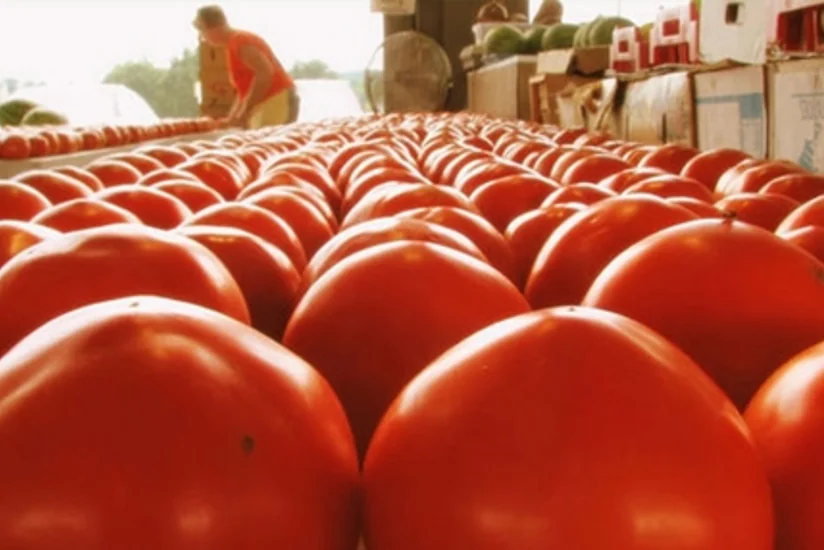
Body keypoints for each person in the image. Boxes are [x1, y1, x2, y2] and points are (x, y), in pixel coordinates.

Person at [194, 5, 300, 129]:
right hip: (266, 102)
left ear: (214, 28)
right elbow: (244, 91)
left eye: (202, 31)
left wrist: (245, 111)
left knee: (270, 143)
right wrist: (233, 118)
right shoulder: (232, 45)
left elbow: (265, 73)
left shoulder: (240, 41)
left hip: (276, 99)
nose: (203, 38)